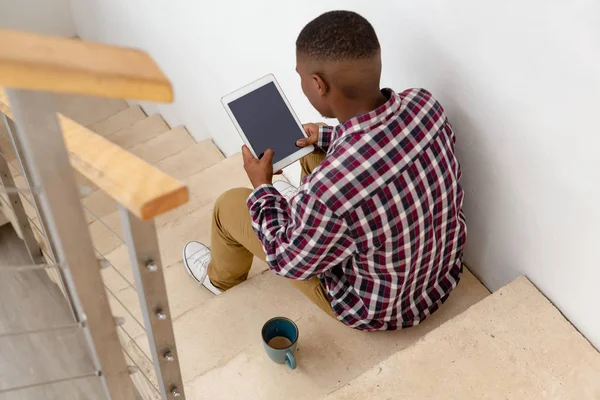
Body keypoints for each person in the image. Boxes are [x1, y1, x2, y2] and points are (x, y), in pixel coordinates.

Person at [182, 10, 466, 331]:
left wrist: (263, 187)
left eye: (301, 76)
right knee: (313, 155)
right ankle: (303, 217)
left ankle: (219, 278)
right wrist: (325, 136)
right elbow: (379, 150)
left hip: (377, 310)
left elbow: (288, 262)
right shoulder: (425, 105)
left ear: (318, 84)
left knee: (230, 204)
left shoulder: (329, 190)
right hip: (440, 278)